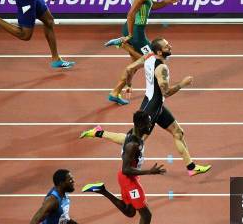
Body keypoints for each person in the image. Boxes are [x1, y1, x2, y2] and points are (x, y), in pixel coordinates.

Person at [80, 38, 212, 177]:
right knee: (133, 140)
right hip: (152, 108)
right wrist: (182, 84)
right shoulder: (161, 68)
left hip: (154, 103)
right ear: (160, 51)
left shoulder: (148, 56)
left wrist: (129, 85)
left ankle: (191, 167)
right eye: (167, 46)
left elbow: (129, 68)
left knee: (178, 132)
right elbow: (165, 93)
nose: (170, 47)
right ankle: (98, 133)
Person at [82, 111, 165, 224]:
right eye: (148, 122)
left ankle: (102, 190)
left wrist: (101, 133)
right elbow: (126, 168)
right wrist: (150, 171)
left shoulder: (135, 134)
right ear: (140, 125)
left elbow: (121, 138)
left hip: (127, 178)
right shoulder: (133, 144)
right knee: (146, 215)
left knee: (129, 212)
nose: (150, 125)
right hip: (129, 179)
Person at [104, 0, 179, 105]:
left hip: (134, 29)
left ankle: (115, 92)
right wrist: (130, 36)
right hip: (136, 31)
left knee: (135, 65)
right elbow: (131, 14)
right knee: (151, 60)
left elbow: (153, 5)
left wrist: (169, 1)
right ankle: (123, 44)